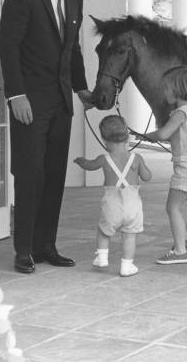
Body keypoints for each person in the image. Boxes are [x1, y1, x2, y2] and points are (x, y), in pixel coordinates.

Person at [0, 0, 94, 274]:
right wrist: (16, 95)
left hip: (61, 102)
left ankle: (45, 246)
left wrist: (81, 88)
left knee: (54, 174)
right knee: (30, 173)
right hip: (29, 101)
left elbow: (73, 48)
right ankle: (23, 249)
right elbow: (8, 47)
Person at [143, 66, 187, 264]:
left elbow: (163, 134)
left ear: (177, 89)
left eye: (166, 88)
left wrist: (145, 136)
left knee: (172, 207)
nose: (164, 92)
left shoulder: (179, 113)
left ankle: (180, 251)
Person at [74, 115, 151, 277]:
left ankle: (102, 257)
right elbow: (147, 176)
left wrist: (81, 161)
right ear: (127, 136)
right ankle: (127, 266)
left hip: (111, 204)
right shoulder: (136, 158)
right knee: (129, 236)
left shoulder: (104, 159)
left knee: (103, 231)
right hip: (132, 205)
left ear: (104, 139)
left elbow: (90, 165)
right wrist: (143, 170)